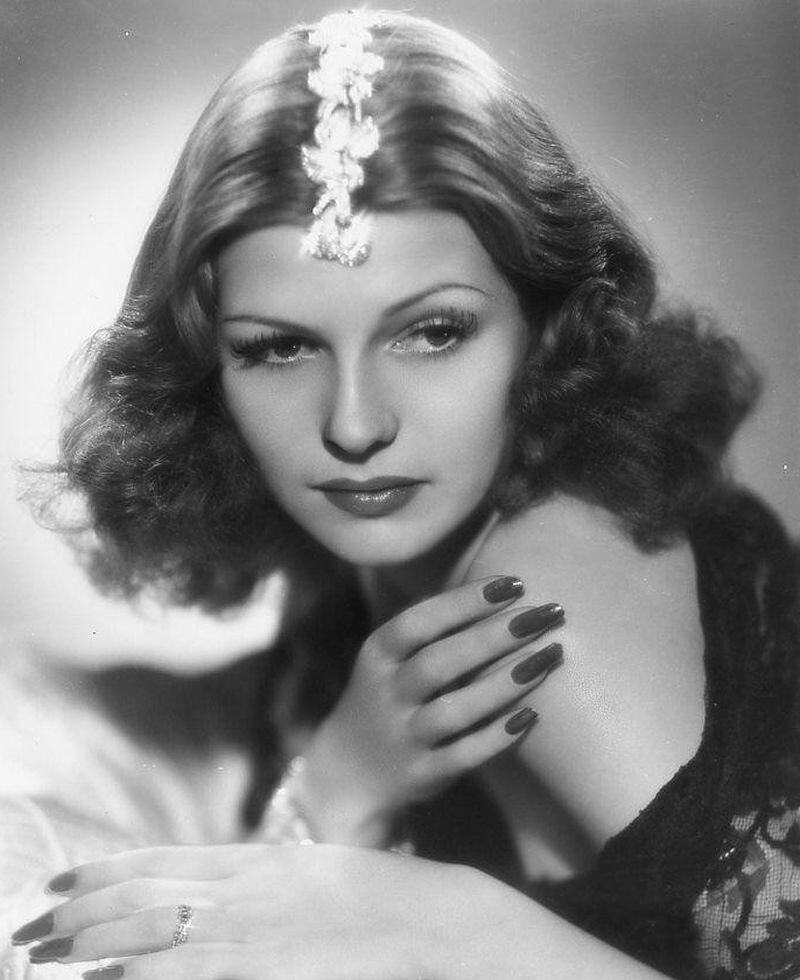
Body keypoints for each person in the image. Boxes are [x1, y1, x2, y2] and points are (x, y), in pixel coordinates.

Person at [2, 9, 798, 979]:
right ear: (207, 368)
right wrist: (338, 787)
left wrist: (458, 922)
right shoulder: (370, 583)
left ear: (545, 325)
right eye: (279, 347)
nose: (353, 423)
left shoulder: (544, 608)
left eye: (431, 333)